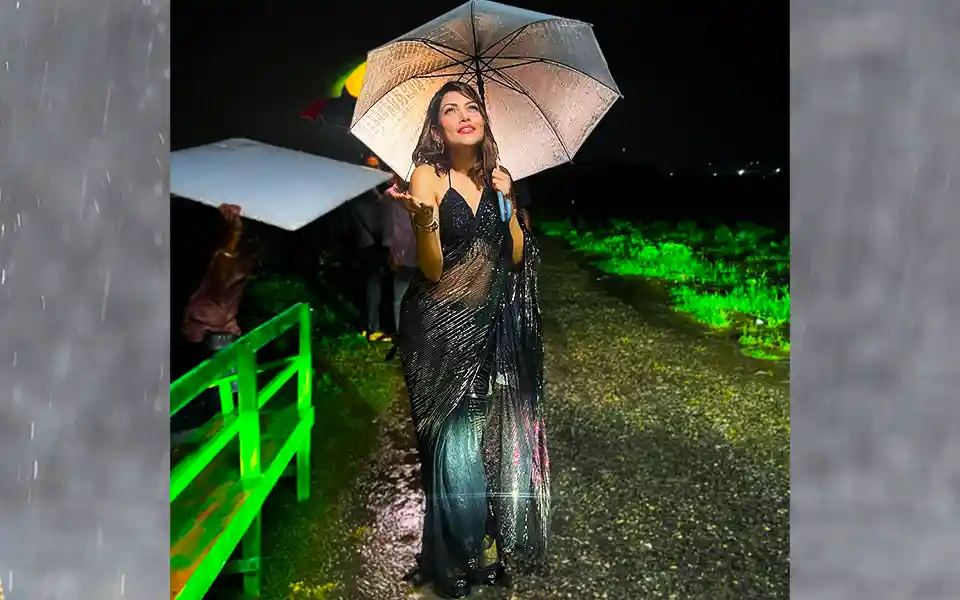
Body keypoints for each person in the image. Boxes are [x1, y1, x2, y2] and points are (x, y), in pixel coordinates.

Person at [391, 80, 550, 598]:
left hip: (486, 327)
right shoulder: (427, 176)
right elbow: (434, 270)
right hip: (435, 326)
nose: (463, 115)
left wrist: (508, 201)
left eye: (471, 106)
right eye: (449, 110)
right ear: (437, 128)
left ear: (483, 119)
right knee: (450, 442)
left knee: (476, 438)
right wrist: (423, 225)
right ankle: (458, 557)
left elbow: (517, 257)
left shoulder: (499, 179)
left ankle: (475, 544)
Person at [173, 203, 255, 436]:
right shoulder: (214, 262)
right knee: (218, 400)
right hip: (212, 336)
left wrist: (234, 233)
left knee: (214, 404)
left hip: (213, 339)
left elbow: (223, 267)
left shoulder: (227, 263)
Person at [347, 154, 392, 342]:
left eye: (377, 167)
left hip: (367, 244)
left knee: (370, 285)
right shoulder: (365, 191)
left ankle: (366, 326)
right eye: (371, 167)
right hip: (370, 245)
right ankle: (372, 329)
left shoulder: (365, 189)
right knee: (373, 286)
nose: (376, 171)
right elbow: (375, 223)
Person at [381, 173, 419, 335]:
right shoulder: (391, 195)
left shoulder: (417, 192)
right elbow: (388, 224)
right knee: (400, 295)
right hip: (401, 249)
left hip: (417, 247)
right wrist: (391, 250)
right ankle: (401, 332)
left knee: (415, 294)